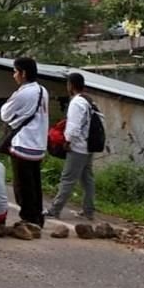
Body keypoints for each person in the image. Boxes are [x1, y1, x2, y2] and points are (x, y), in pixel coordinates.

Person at [0, 56, 49, 227]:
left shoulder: (23, 93)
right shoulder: (43, 90)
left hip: (23, 144)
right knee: (35, 183)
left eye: (15, 72)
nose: (14, 75)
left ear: (23, 73)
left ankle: (28, 218)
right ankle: (37, 215)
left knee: (22, 185)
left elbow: (5, 114)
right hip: (39, 144)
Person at [45, 72, 98, 220]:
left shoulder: (76, 103)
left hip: (78, 147)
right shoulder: (88, 101)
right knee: (87, 179)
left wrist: (67, 142)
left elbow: (73, 127)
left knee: (67, 178)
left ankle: (55, 209)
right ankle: (89, 210)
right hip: (88, 146)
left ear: (70, 85)